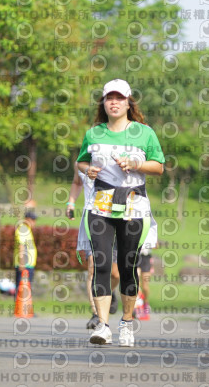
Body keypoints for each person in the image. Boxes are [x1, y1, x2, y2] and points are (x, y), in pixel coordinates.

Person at [77, 78, 164, 347]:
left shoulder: (144, 133)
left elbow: (159, 166)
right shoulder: (94, 133)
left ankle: (126, 323)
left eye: (119, 98)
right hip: (100, 204)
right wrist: (87, 170)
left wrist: (135, 163)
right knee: (101, 264)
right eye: (109, 98)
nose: (114, 102)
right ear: (103, 103)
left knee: (128, 267)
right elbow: (80, 162)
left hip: (133, 204)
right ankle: (103, 325)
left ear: (128, 102)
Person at [67, 162, 120, 329]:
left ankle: (109, 293)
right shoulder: (80, 162)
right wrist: (71, 203)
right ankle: (96, 313)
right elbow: (77, 182)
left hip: (114, 216)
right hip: (92, 219)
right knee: (92, 266)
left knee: (115, 274)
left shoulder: (110, 158)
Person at [14, 211, 37, 304]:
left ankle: (25, 308)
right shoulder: (23, 229)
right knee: (21, 287)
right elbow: (21, 246)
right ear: (27, 219)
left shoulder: (27, 230)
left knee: (26, 287)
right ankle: (19, 309)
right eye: (33, 220)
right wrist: (22, 263)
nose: (34, 222)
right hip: (25, 264)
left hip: (29, 264)